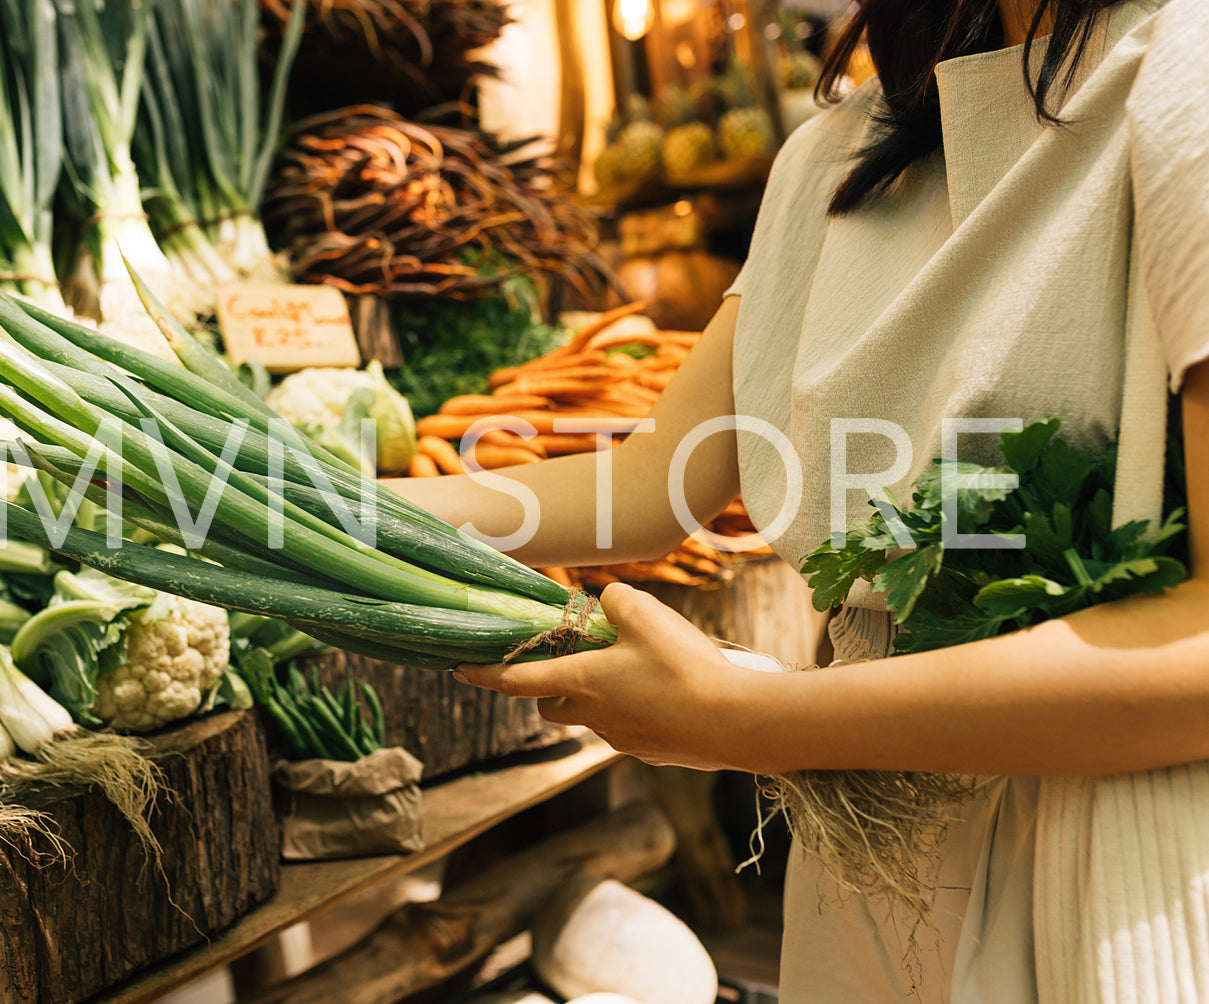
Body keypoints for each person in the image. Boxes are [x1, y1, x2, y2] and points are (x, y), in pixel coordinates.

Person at [391, 0, 1209, 999]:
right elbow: (653, 481)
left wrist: (750, 716)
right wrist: (309, 506)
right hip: (867, 857)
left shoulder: (1184, 71)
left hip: (1112, 843)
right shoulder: (841, 148)